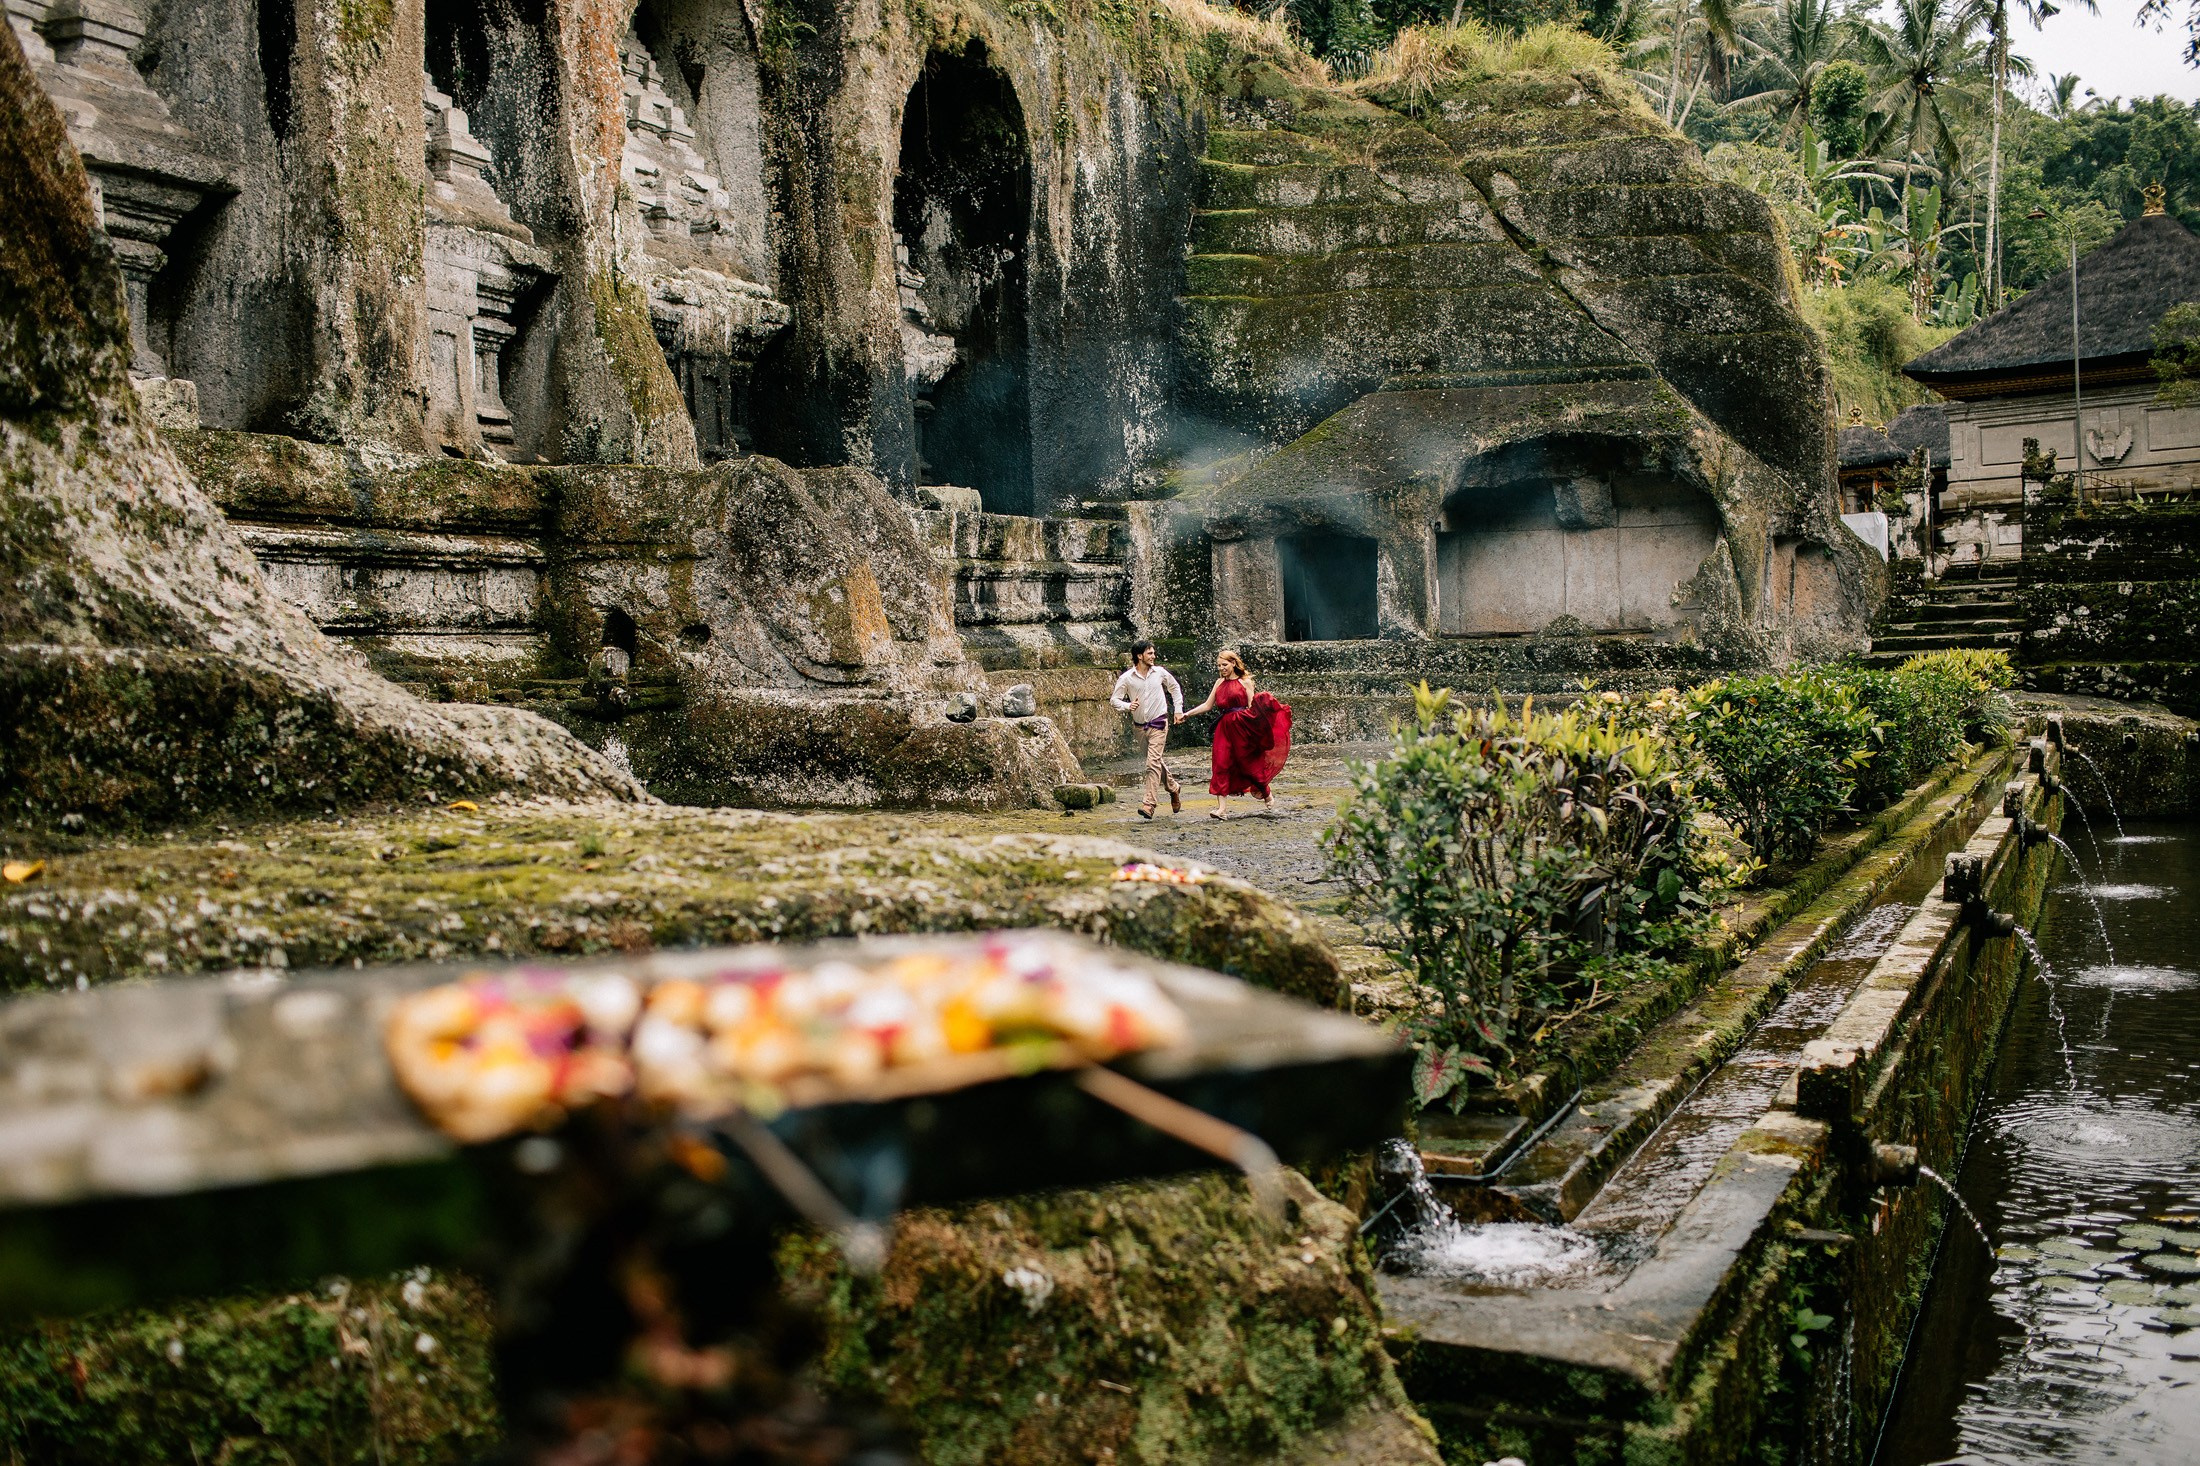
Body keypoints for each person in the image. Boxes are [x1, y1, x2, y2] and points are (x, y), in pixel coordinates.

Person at [1178, 648, 1291, 819]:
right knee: (1220, 764)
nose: (1221, 668)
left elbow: (1253, 706)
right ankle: (1221, 810)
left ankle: (1265, 791)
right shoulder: (1218, 683)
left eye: (1224, 665)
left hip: (1242, 726)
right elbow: (1207, 705)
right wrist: (1187, 714)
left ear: (1233, 663)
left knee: (1248, 765)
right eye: (1219, 666)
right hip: (1224, 728)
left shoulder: (1245, 682)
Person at [1109, 640, 1183, 820]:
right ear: (1139, 656)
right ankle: (1173, 787)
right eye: (1150, 653)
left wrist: (1178, 709)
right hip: (1139, 727)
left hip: (1159, 723)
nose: (1153, 656)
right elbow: (1114, 700)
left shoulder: (1160, 672)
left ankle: (1149, 804)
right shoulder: (1127, 678)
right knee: (1155, 762)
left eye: (1153, 653)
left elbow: (1174, 687)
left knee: (1152, 763)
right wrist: (1128, 706)